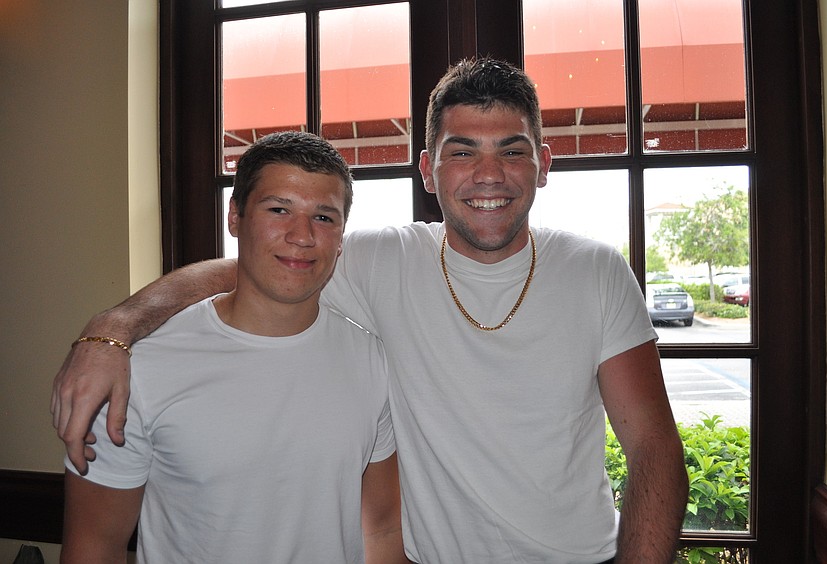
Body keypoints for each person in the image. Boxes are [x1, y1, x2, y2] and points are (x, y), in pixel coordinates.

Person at [54, 58, 688, 563]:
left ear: (544, 165)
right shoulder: (383, 260)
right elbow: (250, 271)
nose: (488, 174)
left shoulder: (597, 270)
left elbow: (654, 448)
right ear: (428, 170)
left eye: (513, 150)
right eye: (462, 150)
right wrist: (112, 329)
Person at [59, 131, 407, 564]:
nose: (302, 235)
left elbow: (382, 529)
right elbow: (94, 547)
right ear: (235, 217)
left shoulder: (370, 358)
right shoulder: (141, 368)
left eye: (324, 217)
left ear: (341, 237)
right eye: (279, 209)